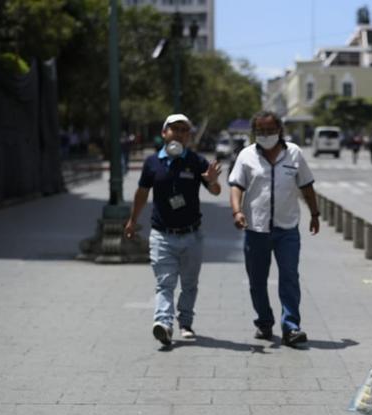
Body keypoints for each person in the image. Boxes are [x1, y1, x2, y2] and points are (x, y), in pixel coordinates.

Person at [124, 113, 222, 346]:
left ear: (189, 136)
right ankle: (164, 324)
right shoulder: (152, 163)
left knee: (189, 284)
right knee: (165, 283)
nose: (178, 133)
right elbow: (142, 193)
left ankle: (185, 322)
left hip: (192, 235)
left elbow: (216, 192)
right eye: (174, 129)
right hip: (162, 235)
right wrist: (132, 220)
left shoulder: (197, 161)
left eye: (183, 130)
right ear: (164, 133)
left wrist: (213, 180)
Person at [228, 111, 320, 347]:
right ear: (254, 132)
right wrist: (237, 211)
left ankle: (291, 327)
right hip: (256, 228)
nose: (266, 135)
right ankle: (264, 321)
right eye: (261, 131)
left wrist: (315, 214)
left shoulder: (294, 153)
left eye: (270, 130)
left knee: (289, 277)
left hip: (287, 227)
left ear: (279, 130)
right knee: (257, 279)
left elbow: (307, 186)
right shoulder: (246, 156)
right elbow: (236, 186)